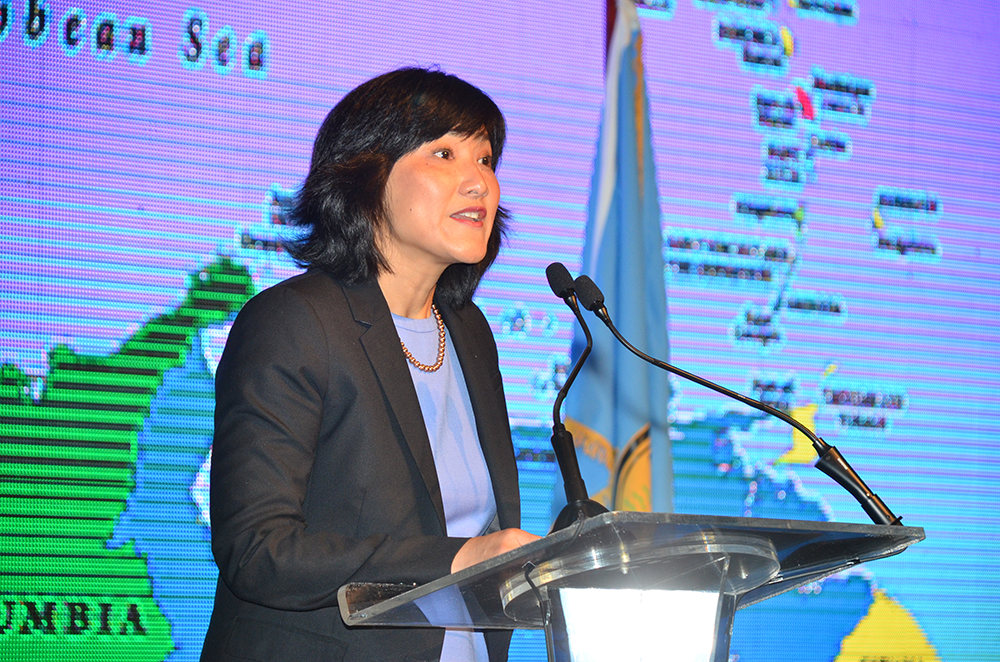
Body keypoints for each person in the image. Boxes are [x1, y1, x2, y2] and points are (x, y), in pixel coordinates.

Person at [201, 67, 540, 662]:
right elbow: (258, 550)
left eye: (486, 160)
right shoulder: (296, 322)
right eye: (444, 154)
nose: (480, 183)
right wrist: (457, 559)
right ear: (366, 174)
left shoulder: (468, 331)